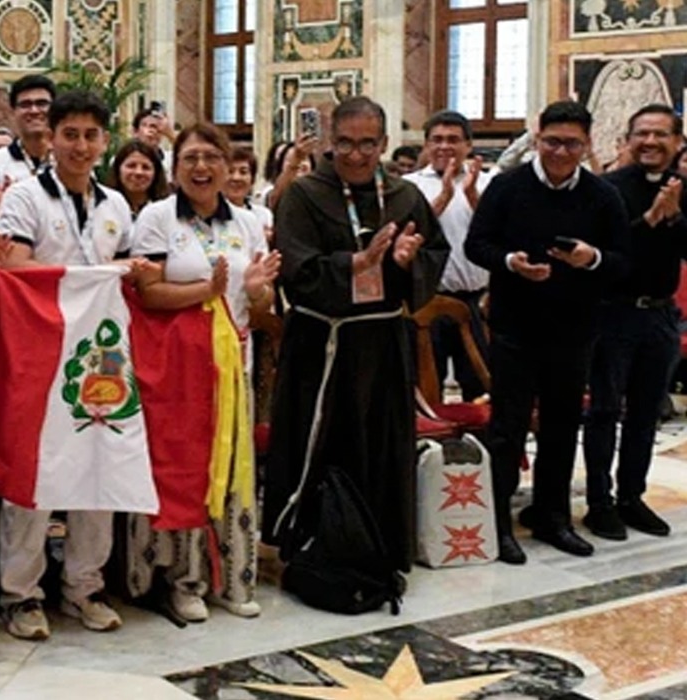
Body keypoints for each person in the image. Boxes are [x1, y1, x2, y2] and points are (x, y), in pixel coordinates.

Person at [262, 96, 449, 575]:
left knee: (381, 444)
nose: (356, 155)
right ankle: (312, 547)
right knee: (319, 442)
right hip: (321, 344)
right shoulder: (305, 195)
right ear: (331, 141)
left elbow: (435, 253)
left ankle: (382, 547)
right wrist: (355, 264)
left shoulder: (405, 196)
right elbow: (296, 270)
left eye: (367, 144)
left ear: (383, 143)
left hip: (382, 341)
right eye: (345, 143)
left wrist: (406, 263)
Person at [0, 90, 135, 641]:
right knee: (36, 473)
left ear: (105, 141)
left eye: (91, 135)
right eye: (69, 134)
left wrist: (131, 272)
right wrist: (100, 276)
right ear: (50, 138)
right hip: (40, 353)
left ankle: (84, 586)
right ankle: (20, 594)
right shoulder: (25, 197)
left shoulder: (115, 204)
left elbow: (130, 271)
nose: (80, 146)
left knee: (99, 466)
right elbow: (14, 268)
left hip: (99, 356)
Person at [465, 100, 630, 564]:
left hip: (574, 330)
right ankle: (498, 522)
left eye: (571, 144)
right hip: (515, 328)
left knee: (561, 426)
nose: (560, 152)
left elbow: (622, 260)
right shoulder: (507, 186)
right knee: (508, 428)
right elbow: (477, 244)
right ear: (537, 140)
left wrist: (591, 259)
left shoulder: (602, 195)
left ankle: (552, 516)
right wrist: (509, 262)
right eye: (552, 142)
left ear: (586, 145)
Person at [128, 123, 281, 622]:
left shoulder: (247, 222)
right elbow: (148, 293)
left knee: (234, 469)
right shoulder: (157, 218)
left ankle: (232, 578)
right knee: (186, 470)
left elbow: (259, 301)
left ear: (226, 164)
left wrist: (256, 289)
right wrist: (205, 292)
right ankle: (185, 581)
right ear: (175, 168)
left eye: (211, 157)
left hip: (234, 365)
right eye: (190, 158)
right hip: (177, 369)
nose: (201, 167)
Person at [582, 104, 686, 541]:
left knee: (646, 412)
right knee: (604, 410)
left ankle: (632, 496)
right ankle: (599, 502)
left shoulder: (682, 189)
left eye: (661, 134)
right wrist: (650, 220)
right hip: (614, 313)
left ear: (678, 142)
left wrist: (674, 216)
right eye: (642, 133)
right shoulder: (607, 189)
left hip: (660, 315)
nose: (650, 142)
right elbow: (606, 256)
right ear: (627, 140)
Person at [404, 110, 492, 401]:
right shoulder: (409, 186)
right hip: (426, 301)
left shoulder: (487, 182)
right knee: (425, 388)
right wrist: (442, 198)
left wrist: (473, 198)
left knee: (481, 388)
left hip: (475, 302)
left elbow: (500, 232)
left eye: (453, 140)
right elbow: (408, 233)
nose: (444, 146)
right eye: (437, 139)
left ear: (468, 145)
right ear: (426, 145)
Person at [0, 74, 55, 192]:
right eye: (25, 104)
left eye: (41, 103)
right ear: (13, 111)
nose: (34, 111)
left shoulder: (68, 160)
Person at [105, 139, 170, 219]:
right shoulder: (103, 207)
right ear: (118, 169)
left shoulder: (168, 211)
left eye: (145, 167)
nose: (138, 172)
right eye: (131, 166)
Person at [224, 145, 275, 242]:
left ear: (253, 179)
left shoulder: (263, 214)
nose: (236, 178)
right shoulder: (208, 214)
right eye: (230, 171)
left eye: (243, 172)